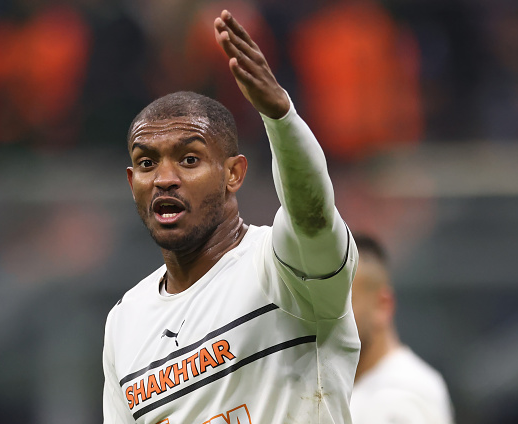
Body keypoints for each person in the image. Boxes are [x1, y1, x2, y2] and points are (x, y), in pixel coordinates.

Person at [102, 10, 359, 424]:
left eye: (189, 159)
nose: (164, 179)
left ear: (234, 173)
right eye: (147, 163)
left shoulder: (281, 267)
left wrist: (281, 119)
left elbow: (312, 216)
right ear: (132, 182)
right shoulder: (124, 321)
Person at [350, 234, 455, 424]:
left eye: (344, 304)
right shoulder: (342, 387)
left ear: (382, 305)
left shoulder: (407, 393)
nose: (328, 317)